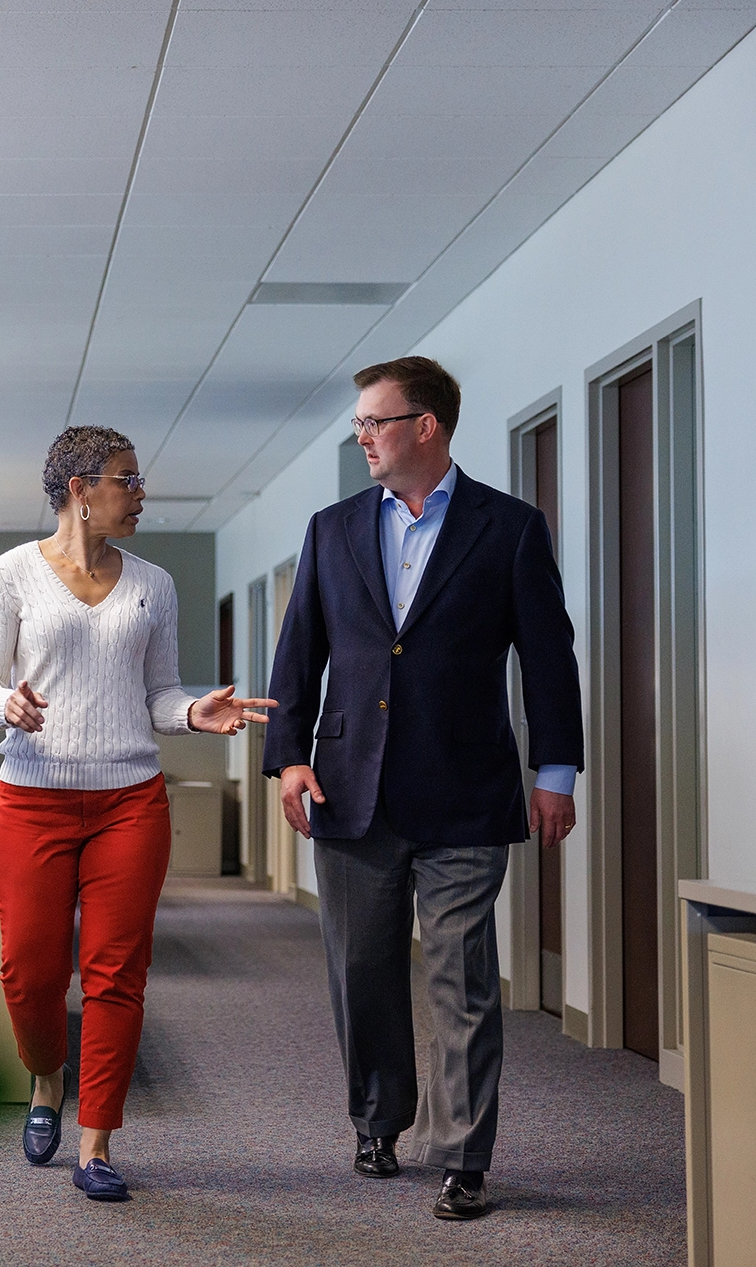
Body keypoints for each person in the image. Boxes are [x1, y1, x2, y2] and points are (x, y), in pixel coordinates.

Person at [264, 356, 583, 1221]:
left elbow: (548, 656)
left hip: (467, 790)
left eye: (374, 421)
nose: (362, 437)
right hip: (348, 790)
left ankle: (463, 1155)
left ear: (425, 426)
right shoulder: (332, 529)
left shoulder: (508, 527)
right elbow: (299, 655)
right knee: (362, 969)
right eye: (360, 424)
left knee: (461, 978)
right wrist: (288, 758)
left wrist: (555, 772)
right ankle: (377, 1120)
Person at [0, 426, 275, 1203]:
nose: (140, 494)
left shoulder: (153, 585)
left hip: (130, 800)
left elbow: (158, 693)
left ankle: (96, 1141)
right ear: (79, 489)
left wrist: (193, 710)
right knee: (28, 972)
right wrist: (5, 703)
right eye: (126, 480)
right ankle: (47, 1076)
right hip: (33, 799)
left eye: (138, 480)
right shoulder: (10, 575)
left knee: (117, 974)